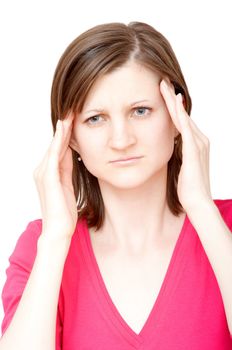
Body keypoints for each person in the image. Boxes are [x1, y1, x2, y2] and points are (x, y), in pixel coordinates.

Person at [0, 21, 231, 350]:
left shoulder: (224, 228)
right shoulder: (40, 248)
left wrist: (203, 210)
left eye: (140, 111)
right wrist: (55, 239)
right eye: (95, 118)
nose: (121, 140)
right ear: (71, 138)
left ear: (178, 116)